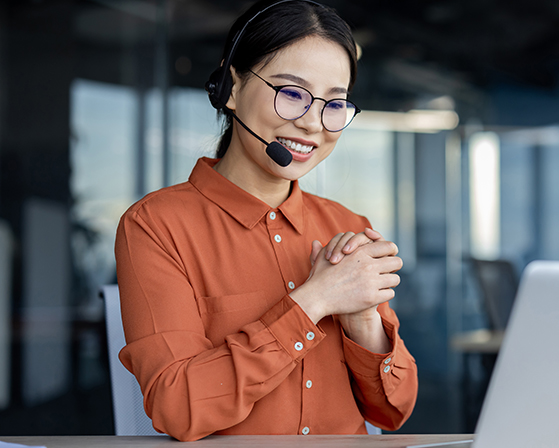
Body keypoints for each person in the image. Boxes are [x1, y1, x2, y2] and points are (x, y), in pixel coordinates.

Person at [114, 0, 418, 441]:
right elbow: (176, 406)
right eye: (292, 93)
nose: (314, 124)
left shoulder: (347, 224)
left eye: (335, 104)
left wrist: (364, 321)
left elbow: (394, 411)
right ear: (231, 87)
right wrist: (314, 301)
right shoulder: (157, 226)